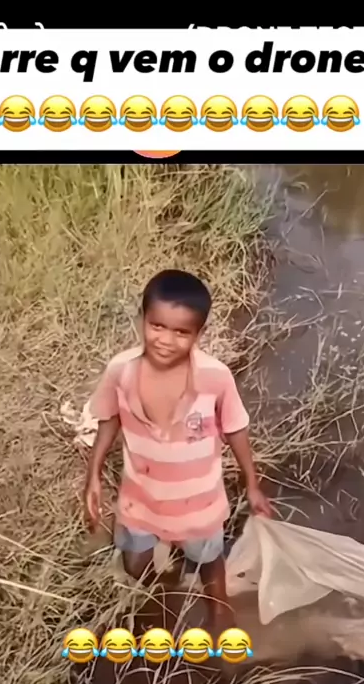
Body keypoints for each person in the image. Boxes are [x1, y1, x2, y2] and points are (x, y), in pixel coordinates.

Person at [84, 269, 272, 632]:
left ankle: (219, 609)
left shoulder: (214, 377)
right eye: (157, 326)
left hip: (198, 503)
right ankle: (163, 593)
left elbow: (236, 429)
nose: (166, 341)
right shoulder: (121, 371)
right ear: (142, 318)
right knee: (135, 563)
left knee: (208, 560)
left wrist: (252, 483)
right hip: (140, 499)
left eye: (181, 332)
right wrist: (93, 476)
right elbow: (109, 420)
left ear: (199, 334)